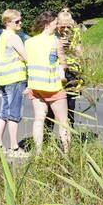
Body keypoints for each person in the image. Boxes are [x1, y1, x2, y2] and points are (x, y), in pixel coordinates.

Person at [24, 11, 71, 153]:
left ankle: (38, 152)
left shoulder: (29, 42)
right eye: (55, 23)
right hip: (53, 87)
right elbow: (63, 64)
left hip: (35, 86)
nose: (57, 26)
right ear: (47, 24)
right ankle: (67, 152)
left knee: (39, 120)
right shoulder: (55, 41)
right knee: (63, 121)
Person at [0, 9, 29, 156]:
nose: (20, 23)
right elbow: (27, 56)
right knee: (14, 114)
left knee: (4, 113)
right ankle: (14, 148)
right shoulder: (14, 37)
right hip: (15, 79)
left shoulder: (3, 36)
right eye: (17, 21)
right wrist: (25, 59)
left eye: (20, 20)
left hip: (4, 79)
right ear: (8, 22)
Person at [56, 8, 86, 128]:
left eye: (69, 27)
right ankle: (48, 136)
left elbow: (81, 53)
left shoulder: (76, 33)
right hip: (57, 70)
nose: (66, 30)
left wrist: (72, 48)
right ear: (57, 24)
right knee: (54, 104)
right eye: (63, 27)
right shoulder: (53, 34)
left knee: (70, 104)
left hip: (72, 70)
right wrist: (59, 45)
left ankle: (69, 130)